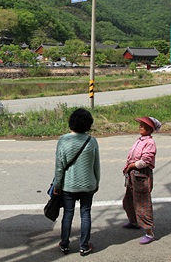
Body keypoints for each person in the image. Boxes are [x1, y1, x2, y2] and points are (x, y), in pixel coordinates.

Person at [52, 108, 100, 256]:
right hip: (88, 185)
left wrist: (57, 185)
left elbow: (59, 167)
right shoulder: (91, 141)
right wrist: (96, 182)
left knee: (68, 214)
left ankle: (65, 244)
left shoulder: (63, 140)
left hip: (68, 185)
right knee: (85, 213)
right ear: (88, 124)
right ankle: (84, 246)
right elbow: (96, 165)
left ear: (71, 122)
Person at [122, 116, 161, 245]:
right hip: (133, 175)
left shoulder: (150, 143)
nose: (140, 127)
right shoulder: (140, 140)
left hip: (141, 176)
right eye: (140, 125)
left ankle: (149, 233)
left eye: (143, 125)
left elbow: (146, 161)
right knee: (128, 200)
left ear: (150, 129)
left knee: (143, 204)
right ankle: (134, 222)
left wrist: (132, 166)